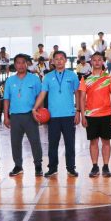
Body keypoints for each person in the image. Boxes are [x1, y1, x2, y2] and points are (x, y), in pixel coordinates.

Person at [33, 50, 81, 178]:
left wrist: (78, 111)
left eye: (61, 58)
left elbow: (77, 94)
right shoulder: (48, 77)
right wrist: (35, 108)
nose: (59, 61)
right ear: (53, 61)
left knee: (70, 144)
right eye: (56, 59)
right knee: (53, 144)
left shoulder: (72, 75)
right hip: (53, 116)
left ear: (65, 60)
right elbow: (42, 94)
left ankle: (71, 168)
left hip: (69, 115)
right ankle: (52, 168)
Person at [3, 54, 43, 177]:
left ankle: (38, 165)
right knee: (15, 142)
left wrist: (39, 113)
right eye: (18, 63)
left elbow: (40, 97)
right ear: (15, 65)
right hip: (15, 116)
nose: (20, 65)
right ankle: (18, 166)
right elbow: (6, 99)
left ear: (27, 64)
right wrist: (6, 116)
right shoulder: (10, 81)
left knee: (35, 141)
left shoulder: (34, 79)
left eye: (23, 62)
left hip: (30, 115)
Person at [79, 52, 111, 178]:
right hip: (91, 116)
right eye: (94, 60)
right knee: (93, 142)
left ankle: (106, 166)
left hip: (106, 115)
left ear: (103, 62)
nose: (96, 62)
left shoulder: (110, 78)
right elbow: (82, 98)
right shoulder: (85, 78)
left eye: (99, 60)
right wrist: (83, 116)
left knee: (106, 142)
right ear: (91, 62)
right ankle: (95, 166)